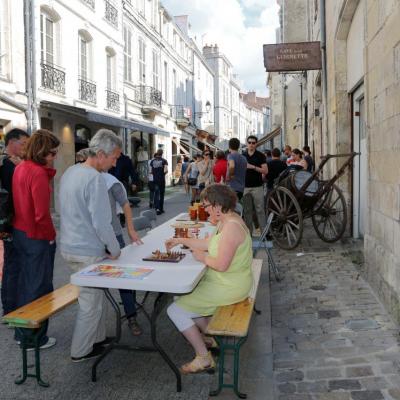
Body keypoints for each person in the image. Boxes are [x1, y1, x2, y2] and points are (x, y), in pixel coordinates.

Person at [165, 184, 253, 374]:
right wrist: (181, 240)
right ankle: (209, 336)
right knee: (180, 296)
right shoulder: (227, 220)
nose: (204, 210)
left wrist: (201, 257)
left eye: (206, 206)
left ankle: (203, 357)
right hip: (226, 280)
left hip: (230, 285)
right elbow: (207, 243)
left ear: (217, 205)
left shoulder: (231, 228)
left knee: (175, 311)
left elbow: (221, 265)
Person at [59, 129, 122, 362]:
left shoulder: (71, 172)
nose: (115, 164)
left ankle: (97, 339)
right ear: (102, 153)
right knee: (90, 302)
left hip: (69, 245)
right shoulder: (95, 178)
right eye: (114, 158)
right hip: (86, 249)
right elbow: (102, 222)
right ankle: (81, 350)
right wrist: (115, 250)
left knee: (95, 297)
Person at [12, 129, 60, 349]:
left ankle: (23, 334)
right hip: (36, 236)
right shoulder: (38, 173)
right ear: (42, 151)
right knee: (39, 288)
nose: (54, 157)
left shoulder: (20, 167)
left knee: (26, 285)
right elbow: (42, 214)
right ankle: (34, 338)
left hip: (21, 232)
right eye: (52, 153)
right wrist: (51, 237)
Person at [102, 172, 144, 336]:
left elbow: (125, 205)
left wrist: (131, 230)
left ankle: (131, 316)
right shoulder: (84, 179)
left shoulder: (111, 182)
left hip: (114, 235)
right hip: (91, 239)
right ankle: (96, 328)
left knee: (123, 278)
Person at [0, 128, 29, 316]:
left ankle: (9, 307)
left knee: (11, 265)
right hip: (10, 223)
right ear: (12, 142)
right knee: (13, 266)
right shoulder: (8, 165)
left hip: (7, 222)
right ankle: (11, 309)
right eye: (23, 144)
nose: (25, 148)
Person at [242, 135, 268, 236]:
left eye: (253, 143)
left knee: (260, 210)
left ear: (256, 144)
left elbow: (265, 171)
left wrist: (252, 167)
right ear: (247, 143)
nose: (251, 145)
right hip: (245, 186)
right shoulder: (243, 156)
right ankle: (249, 234)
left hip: (257, 186)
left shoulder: (261, 156)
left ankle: (264, 233)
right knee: (247, 211)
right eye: (250, 142)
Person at [150, 149, 168, 215]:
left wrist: (155, 173)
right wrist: (162, 174)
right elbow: (166, 171)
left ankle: (157, 208)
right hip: (162, 180)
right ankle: (161, 209)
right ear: (162, 153)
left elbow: (151, 171)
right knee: (162, 194)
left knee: (156, 194)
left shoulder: (152, 161)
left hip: (155, 180)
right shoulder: (164, 161)